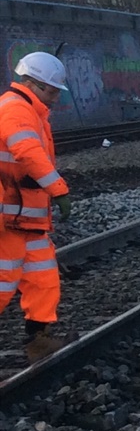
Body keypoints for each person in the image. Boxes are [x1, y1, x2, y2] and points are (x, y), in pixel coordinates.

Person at [0, 52, 71, 363]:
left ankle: (38, 339)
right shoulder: (16, 109)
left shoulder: (30, 109)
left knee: (43, 279)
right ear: (32, 84)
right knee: (3, 283)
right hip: (8, 216)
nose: (55, 98)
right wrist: (58, 189)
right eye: (52, 90)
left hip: (25, 218)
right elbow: (27, 152)